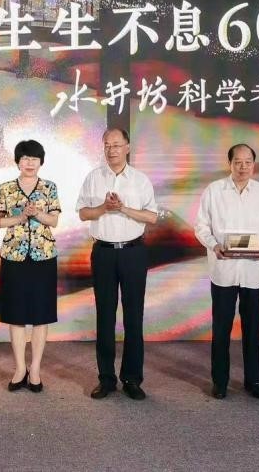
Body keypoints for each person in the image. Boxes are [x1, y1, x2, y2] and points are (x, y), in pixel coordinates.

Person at [77, 128, 159, 400]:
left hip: (133, 253)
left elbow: (152, 216)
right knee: (105, 316)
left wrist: (122, 208)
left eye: (116, 144)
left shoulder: (140, 180)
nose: (111, 150)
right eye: (107, 145)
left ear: (127, 147)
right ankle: (106, 379)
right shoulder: (93, 177)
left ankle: (132, 379)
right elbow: (83, 213)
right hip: (103, 253)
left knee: (134, 316)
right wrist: (104, 208)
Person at [194, 143, 259, 400]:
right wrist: (214, 245)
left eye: (248, 162)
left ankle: (254, 381)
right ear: (229, 164)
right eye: (238, 162)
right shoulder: (214, 190)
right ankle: (220, 382)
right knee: (221, 329)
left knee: (252, 329)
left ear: (254, 164)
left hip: (252, 271)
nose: (243, 167)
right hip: (224, 270)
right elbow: (201, 226)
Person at [0, 139, 62, 393]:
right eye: (25, 158)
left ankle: (35, 369)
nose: (29, 163)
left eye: (34, 159)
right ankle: (20, 368)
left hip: (44, 256)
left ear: (40, 162)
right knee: (16, 314)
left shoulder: (49, 187)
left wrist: (36, 214)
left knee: (41, 315)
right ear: (17, 162)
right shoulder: (6, 188)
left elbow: (53, 221)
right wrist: (21, 216)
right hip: (13, 255)